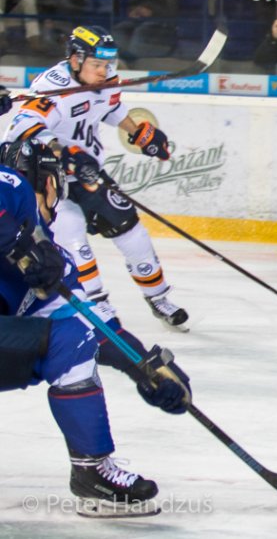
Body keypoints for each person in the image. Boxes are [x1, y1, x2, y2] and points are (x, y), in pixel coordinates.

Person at [0, 138, 190, 516]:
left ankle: (93, 472)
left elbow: (88, 324)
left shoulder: (49, 258)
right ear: (48, 182)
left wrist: (144, 367)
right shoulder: (12, 187)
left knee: (71, 337)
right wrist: (15, 240)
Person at [2, 25, 189, 329]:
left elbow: (110, 108)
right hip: (49, 179)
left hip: (88, 173)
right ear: (76, 60)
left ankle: (158, 298)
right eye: (97, 64)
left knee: (131, 231)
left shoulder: (106, 80)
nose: (104, 71)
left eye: (107, 64)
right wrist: (65, 153)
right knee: (75, 242)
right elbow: (22, 128)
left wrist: (139, 133)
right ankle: (98, 306)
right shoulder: (52, 87)